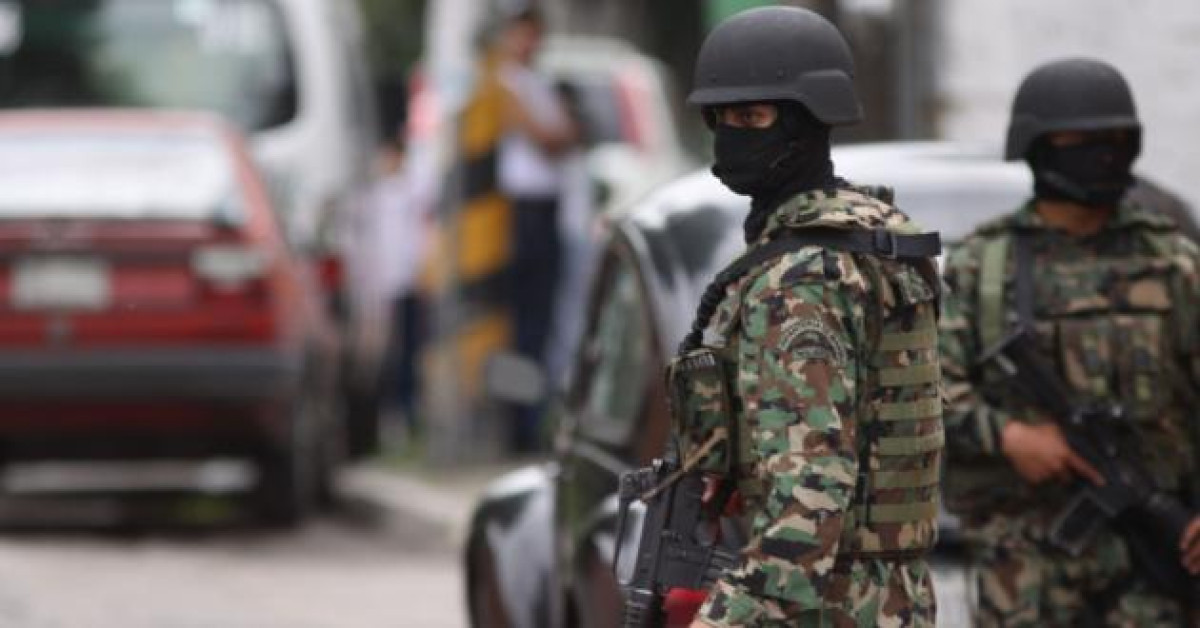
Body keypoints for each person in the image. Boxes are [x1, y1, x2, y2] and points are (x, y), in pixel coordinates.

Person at [672, 7, 943, 626]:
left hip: (829, 606)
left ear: (804, 121)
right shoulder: (878, 241)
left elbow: (811, 500)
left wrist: (725, 618)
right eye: (723, 118)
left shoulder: (799, 279)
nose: (732, 135)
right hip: (895, 598)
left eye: (753, 117)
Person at [939, 57, 1200, 626]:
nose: (1103, 151)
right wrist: (1008, 436)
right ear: (1038, 145)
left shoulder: (1175, 263)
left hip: (1154, 553)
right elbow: (929, 390)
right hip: (1023, 563)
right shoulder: (983, 267)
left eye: (1115, 137)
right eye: (1083, 138)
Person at [493, 2, 578, 452]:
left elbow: (569, 133)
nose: (528, 41)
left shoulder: (538, 83)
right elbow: (550, 138)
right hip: (521, 212)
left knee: (543, 324)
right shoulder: (505, 83)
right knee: (521, 326)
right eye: (521, 32)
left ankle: (534, 418)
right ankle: (517, 426)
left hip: (546, 211)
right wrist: (559, 131)